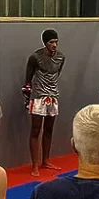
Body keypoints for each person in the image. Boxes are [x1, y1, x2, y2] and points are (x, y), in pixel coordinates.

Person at [22, 29, 65, 177]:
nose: (54, 45)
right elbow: (28, 80)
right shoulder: (35, 57)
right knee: (35, 130)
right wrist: (27, 96)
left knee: (49, 129)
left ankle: (45, 160)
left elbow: (56, 75)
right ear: (45, 43)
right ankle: (35, 165)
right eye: (51, 42)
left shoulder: (61, 57)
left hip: (53, 96)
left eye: (56, 42)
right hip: (38, 96)